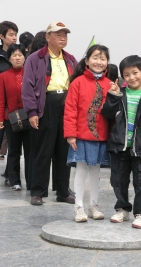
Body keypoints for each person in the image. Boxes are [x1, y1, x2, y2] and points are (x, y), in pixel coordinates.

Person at [101, 55, 141, 229]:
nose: (131, 77)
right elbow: (107, 113)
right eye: (126, 74)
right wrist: (113, 95)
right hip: (120, 145)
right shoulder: (120, 95)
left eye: (135, 73)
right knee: (118, 180)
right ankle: (122, 209)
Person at [22, 21, 77, 205]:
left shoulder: (70, 59)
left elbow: (76, 84)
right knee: (42, 150)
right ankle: (38, 191)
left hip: (66, 105)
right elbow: (28, 87)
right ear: (48, 37)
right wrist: (32, 112)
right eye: (58, 35)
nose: (63, 38)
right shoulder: (35, 58)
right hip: (46, 105)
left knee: (64, 150)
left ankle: (62, 191)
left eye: (65, 35)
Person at [64, 44, 111, 222]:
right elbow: (70, 110)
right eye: (95, 57)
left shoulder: (109, 84)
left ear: (107, 62)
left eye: (103, 58)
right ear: (87, 60)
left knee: (96, 173)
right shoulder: (77, 83)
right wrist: (70, 134)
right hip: (81, 136)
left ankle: (93, 204)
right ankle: (79, 206)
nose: (99, 62)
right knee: (81, 171)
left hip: (101, 137)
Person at [0, 44, 30, 190]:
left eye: (20, 55)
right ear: (9, 58)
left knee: (30, 150)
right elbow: (1, 100)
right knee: (13, 150)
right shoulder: (3, 76)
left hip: (29, 117)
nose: (17, 58)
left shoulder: (30, 74)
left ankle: (31, 180)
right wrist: (1, 119)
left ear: (25, 57)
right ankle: (14, 180)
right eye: (14, 55)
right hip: (10, 119)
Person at [0, 21, 18, 185]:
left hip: (11, 111)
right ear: (2, 37)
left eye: (15, 34)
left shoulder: (18, 56)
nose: (14, 37)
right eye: (11, 34)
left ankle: (9, 175)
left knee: (12, 145)